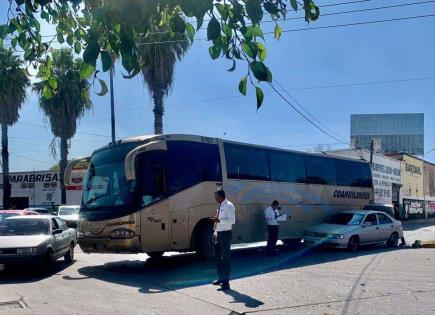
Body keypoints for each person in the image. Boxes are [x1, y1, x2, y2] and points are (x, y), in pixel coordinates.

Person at [211, 188, 236, 291]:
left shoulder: (229, 205)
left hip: (226, 234)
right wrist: (215, 232)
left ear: (220, 196)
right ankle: (221, 278)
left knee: (225, 258)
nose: (215, 198)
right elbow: (217, 221)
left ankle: (226, 283)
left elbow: (232, 220)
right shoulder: (220, 206)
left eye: (216, 196)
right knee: (217, 257)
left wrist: (219, 220)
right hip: (219, 234)